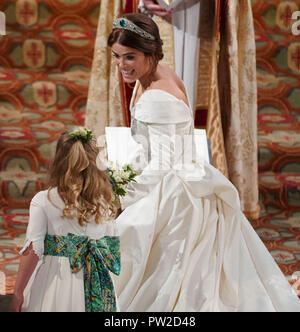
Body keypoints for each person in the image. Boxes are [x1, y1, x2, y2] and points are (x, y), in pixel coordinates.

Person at [108, 13, 300, 312]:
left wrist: (120, 193)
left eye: (129, 57)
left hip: (175, 193)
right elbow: (156, 149)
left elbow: (161, 165)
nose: (122, 65)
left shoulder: (155, 98)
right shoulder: (158, 73)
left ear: (150, 52)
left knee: (131, 241)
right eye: (117, 57)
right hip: (182, 176)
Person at [10, 128, 121, 312]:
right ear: (95, 163)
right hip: (96, 282)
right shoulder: (105, 203)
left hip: (55, 280)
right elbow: (110, 246)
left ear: (58, 161)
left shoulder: (43, 200)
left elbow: (32, 250)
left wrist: (17, 293)